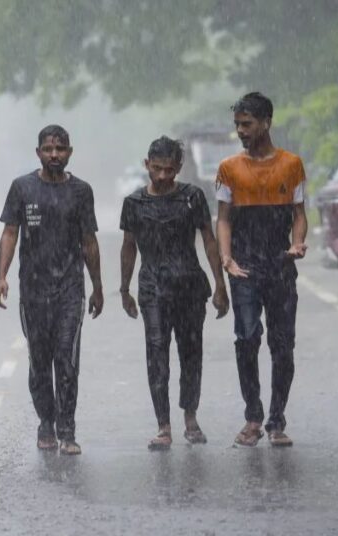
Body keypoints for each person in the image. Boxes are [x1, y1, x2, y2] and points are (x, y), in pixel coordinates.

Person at [0, 124, 104, 456]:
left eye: (60, 149)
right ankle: (46, 421)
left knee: (67, 358)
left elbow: (89, 241)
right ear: (38, 153)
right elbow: (10, 233)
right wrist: (1, 276)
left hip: (70, 288)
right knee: (40, 360)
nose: (54, 154)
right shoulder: (22, 188)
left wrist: (98, 286)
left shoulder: (81, 191)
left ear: (70, 152)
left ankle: (67, 430)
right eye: (48, 149)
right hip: (33, 289)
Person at [119, 136, 229, 451]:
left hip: (189, 285)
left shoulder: (192, 197)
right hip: (152, 286)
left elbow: (208, 240)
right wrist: (124, 288)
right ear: (147, 166)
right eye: (157, 169)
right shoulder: (134, 203)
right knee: (156, 352)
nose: (163, 176)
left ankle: (190, 417)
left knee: (191, 352)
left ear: (179, 167)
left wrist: (220, 284)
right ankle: (163, 425)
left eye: (169, 169)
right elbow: (129, 247)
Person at [215, 92, 308, 448]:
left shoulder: (291, 164)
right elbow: (223, 219)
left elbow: (299, 214)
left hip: (280, 264)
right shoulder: (229, 168)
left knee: (283, 345)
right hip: (244, 267)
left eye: (247, 124)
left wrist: (297, 243)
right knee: (247, 339)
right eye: (237, 124)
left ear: (267, 122)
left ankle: (277, 420)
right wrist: (227, 259)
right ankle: (253, 415)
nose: (241, 131)